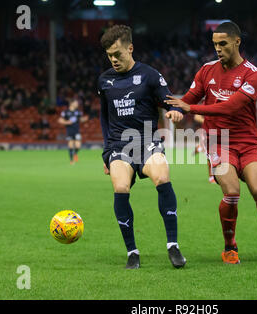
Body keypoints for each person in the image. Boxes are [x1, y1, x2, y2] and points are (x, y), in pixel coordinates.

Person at [165, 21, 257, 264]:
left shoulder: (254, 74)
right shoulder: (206, 70)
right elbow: (189, 98)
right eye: (214, 44)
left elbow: (231, 106)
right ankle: (230, 246)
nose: (218, 49)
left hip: (248, 141)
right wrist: (179, 109)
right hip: (218, 141)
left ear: (237, 42)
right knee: (232, 192)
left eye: (222, 44)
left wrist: (191, 108)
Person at [98, 25, 186, 269]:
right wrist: (107, 154)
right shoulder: (104, 80)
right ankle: (132, 252)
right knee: (121, 186)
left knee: (161, 175)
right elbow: (104, 118)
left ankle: (173, 246)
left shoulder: (150, 75)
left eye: (118, 54)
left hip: (147, 141)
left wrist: (175, 111)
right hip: (118, 145)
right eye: (109, 55)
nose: (114, 59)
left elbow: (169, 100)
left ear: (130, 48)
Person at [58, 98, 88, 165]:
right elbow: (60, 120)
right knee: (71, 145)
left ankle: (75, 154)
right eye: (76, 103)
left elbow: (80, 119)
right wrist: (67, 122)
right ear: (71, 103)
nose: (77, 104)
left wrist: (85, 119)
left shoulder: (78, 112)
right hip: (69, 131)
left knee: (78, 146)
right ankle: (71, 160)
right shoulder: (65, 112)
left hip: (77, 131)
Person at [192, 114, 216, 184]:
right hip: (207, 132)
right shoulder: (206, 104)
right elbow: (196, 117)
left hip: (219, 131)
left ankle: (199, 148)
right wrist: (208, 123)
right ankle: (212, 177)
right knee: (210, 156)